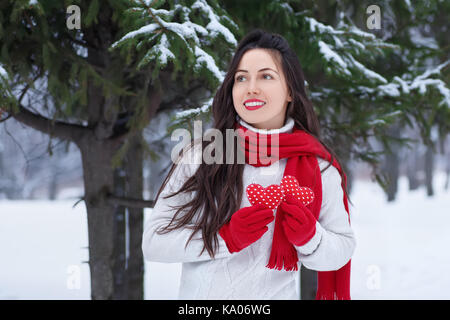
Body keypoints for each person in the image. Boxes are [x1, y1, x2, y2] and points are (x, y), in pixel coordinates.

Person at [142, 29, 356, 300]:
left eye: (266, 76)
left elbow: (343, 248)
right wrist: (225, 239)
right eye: (241, 78)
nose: (251, 87)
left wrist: (311, 237)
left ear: (291, 90)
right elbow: (154, 243)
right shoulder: (200, 157)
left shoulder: (319, 168)